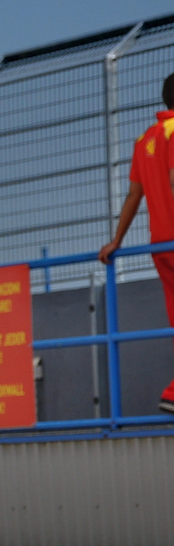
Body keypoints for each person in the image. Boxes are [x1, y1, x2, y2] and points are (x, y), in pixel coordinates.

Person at [100, 71, 174, 414]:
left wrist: (116, 241)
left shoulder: (145, 139)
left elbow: (133, 194)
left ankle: (173, 394)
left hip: (160, 244)